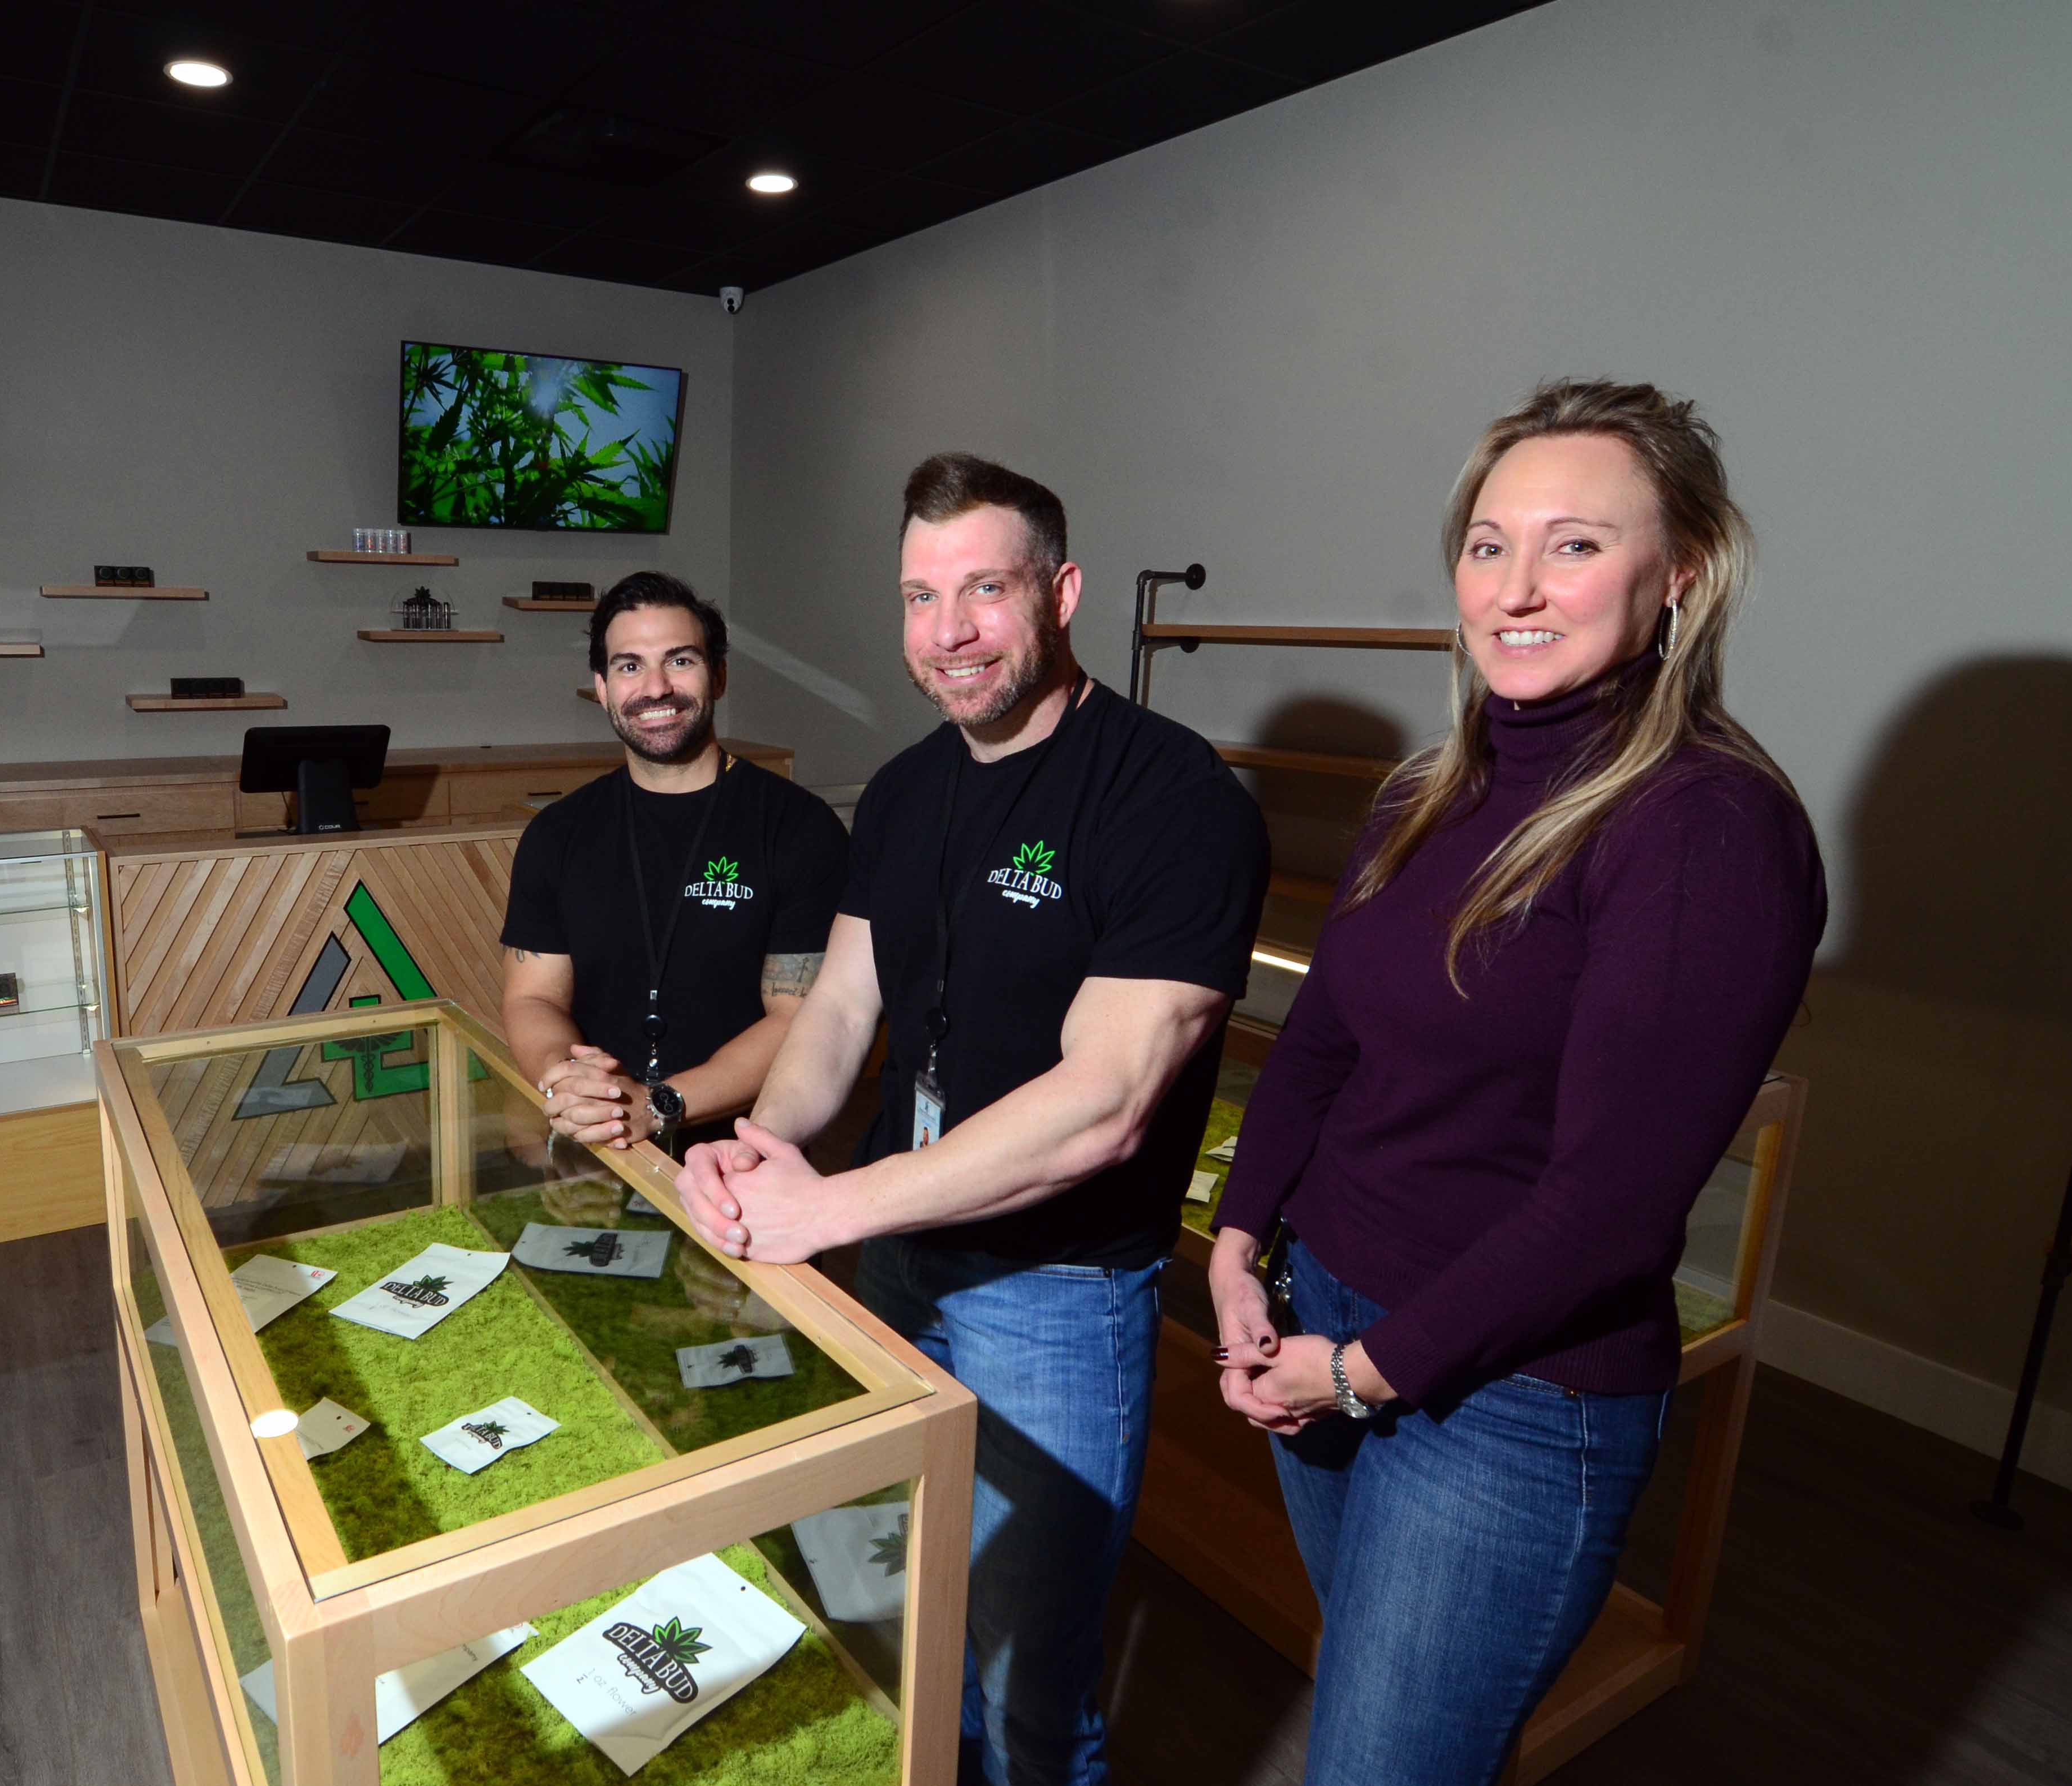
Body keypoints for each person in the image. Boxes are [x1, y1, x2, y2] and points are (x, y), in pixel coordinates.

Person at [1207, 380, 1826, 1786]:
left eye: (1575, 545)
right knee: (1366, 1712)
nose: (1517, 587)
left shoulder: (1703, 825)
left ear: (1683, 571)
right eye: (1489, 546)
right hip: (1326, 1314)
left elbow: (1611, 1206)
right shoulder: (1426, 790)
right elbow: (1319, 1042)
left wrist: (1359, 1374)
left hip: (1506, 1396)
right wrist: (1242, 1243)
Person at [678, 454, 1269, 1786]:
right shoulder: (902, 791)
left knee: (1027, 1676)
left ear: (1059, 592)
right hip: (898, 1259)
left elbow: (1104, 1103)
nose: (948, 630)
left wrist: (828, 1206)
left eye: (984, 590)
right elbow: (841, 1008)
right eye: (919, 596)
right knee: (901, 1605)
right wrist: (766, 1143)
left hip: (1052, 1288)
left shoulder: (1175, 800)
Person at [500, 572, 849, 1156]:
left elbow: (799, 1018)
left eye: (680, 661)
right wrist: (574, 1086)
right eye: (629, 666)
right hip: (599, 1146)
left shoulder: (798, 827)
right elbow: (532, 999)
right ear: (602, 687)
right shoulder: (557, 834)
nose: (655, 688)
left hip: (743, 1152)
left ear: (719, 676)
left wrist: (659, 1103)